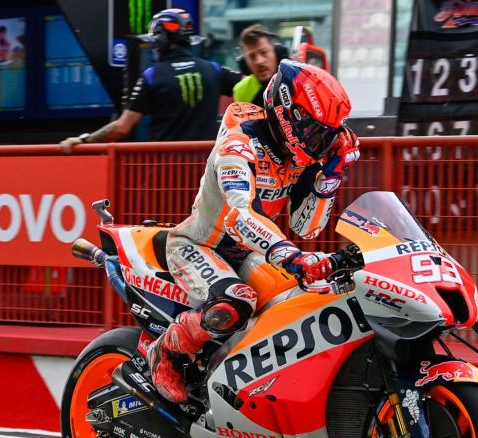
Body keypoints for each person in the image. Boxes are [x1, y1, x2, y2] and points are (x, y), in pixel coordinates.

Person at [147, 60, 362, 402]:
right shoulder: (239, 141)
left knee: (303, 299)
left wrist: (331, 176)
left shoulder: (299, 157)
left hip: (249, 252)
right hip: (199, 245)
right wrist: (288, 255)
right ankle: (166, 352)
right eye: (315, 132)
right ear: (287, 114)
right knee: (236, 302)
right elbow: (238, 215)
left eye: (327, 136)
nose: (320, 144)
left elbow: (305, 227)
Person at [58, 8, 241, 151]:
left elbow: (121, 128)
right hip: (206, 173)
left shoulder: (152, 76)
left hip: (164, 172)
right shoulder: (214, 70)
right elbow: (252, 88)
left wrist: (84, 139)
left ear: (162, 40)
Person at [232, 24, 281, 107]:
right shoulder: (241, 90)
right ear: (245, 63)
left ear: (276, 53)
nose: (259, 61)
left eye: (264, 52)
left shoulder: (296, 78)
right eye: (252, 56)